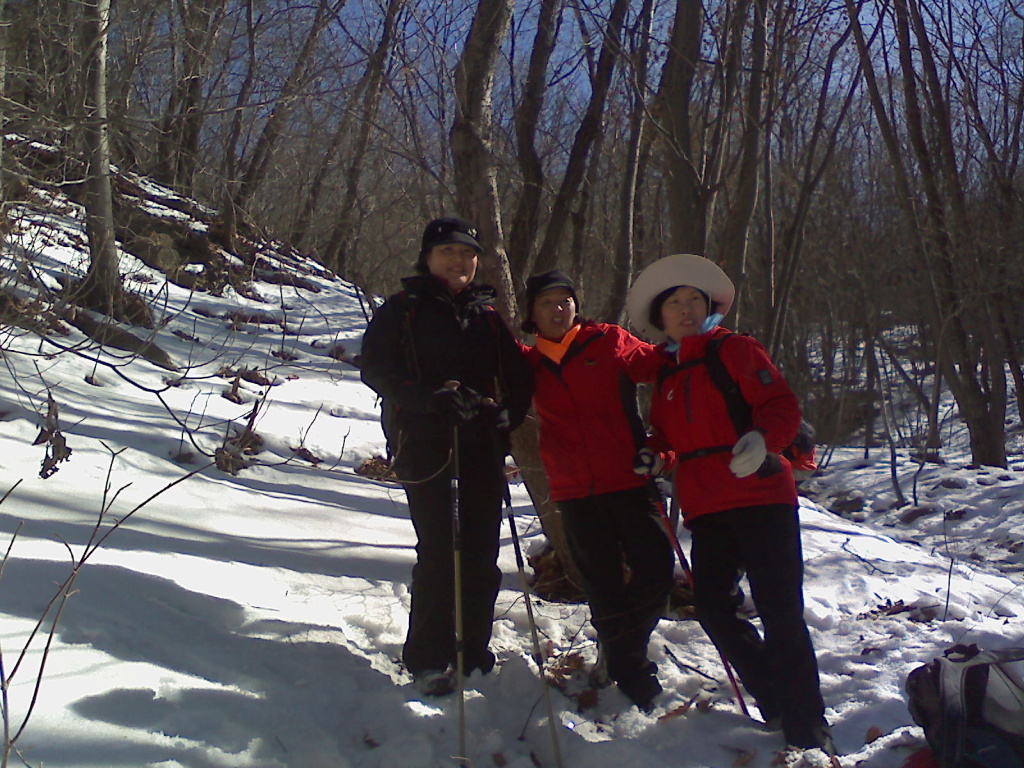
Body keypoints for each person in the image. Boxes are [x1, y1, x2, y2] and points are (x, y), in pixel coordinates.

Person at [626, 253, 830, 748]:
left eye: (693, 299)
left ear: (708, 305)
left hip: (762, 495)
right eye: (674, 303)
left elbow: (780, 404)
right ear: (661, 317)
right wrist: (656, 455)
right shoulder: (666, 377)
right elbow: (668, 436)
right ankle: (776, 701)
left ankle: (808, 725)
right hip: (706, 506)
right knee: (716, 610)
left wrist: (765, 440)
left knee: (781, 611)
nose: (685, 308)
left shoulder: (735, 349)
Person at [360, 216, 533, 696]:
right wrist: (424, 397)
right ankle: (429, 657)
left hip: (480, 444)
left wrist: (507, 417)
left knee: (480, 550)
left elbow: (519, 379)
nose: (459, 261)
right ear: (428, 257)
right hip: (423, 441)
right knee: (438, 549)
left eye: (467, 254)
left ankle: (473, 651)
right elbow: (375, 367)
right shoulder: (403, 309)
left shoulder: (487, 316)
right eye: (447, 252)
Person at [520, 269, 674, 712]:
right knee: (602, 584)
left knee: (657, 571)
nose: (558, 308)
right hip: (574, 491)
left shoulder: (609, 340)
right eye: (547, 301)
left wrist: (690, 342)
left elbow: (656, 366)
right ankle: (631, 669)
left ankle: (621, 657)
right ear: (533, 312)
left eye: (565, 299)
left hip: (629, 479)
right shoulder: (529, 363)